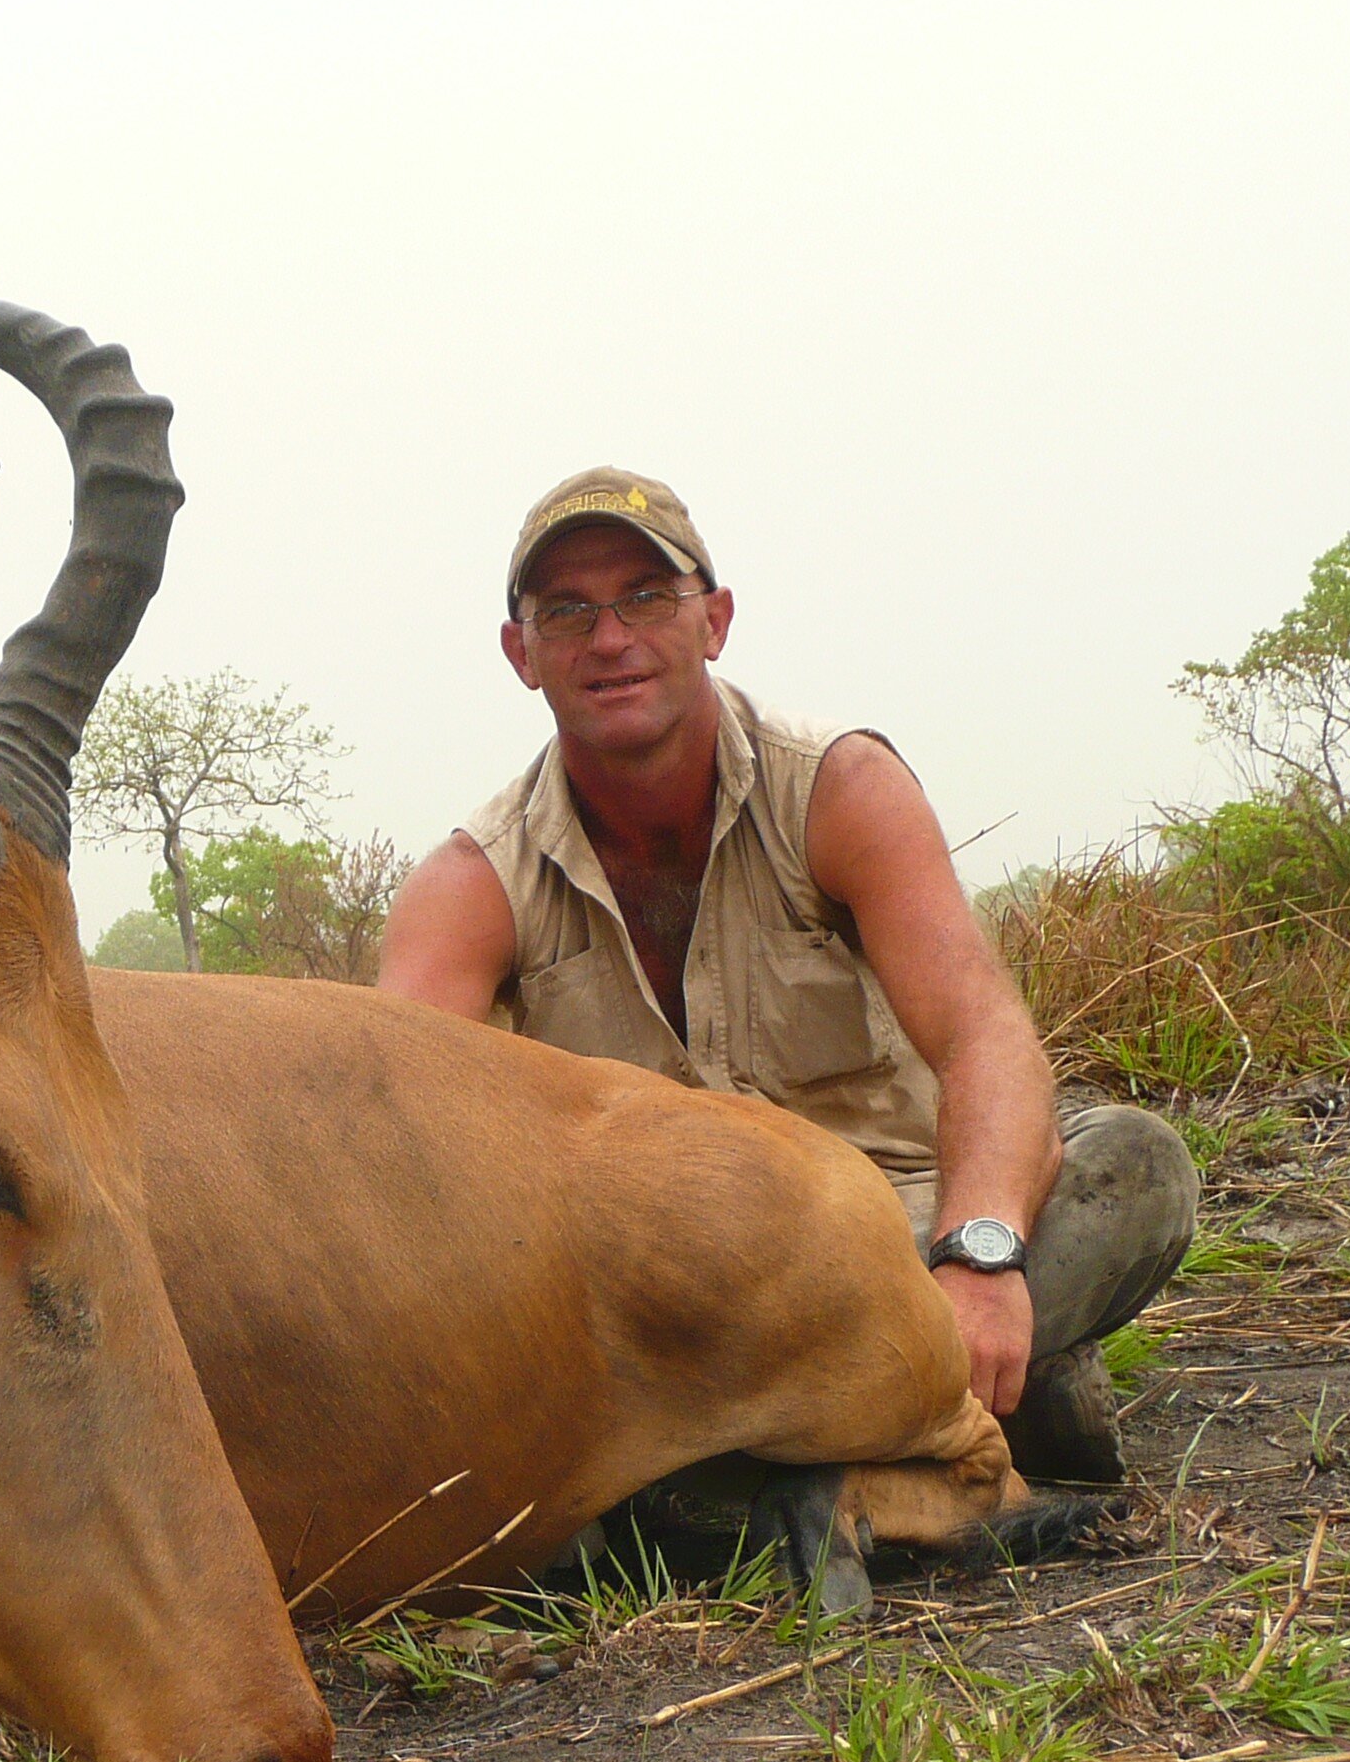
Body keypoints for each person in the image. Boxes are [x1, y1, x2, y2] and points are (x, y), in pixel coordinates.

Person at [377, 466, 1199, 1481]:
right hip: (660, 1300)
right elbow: (386, 1149)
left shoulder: (841, 788)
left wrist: (981, 1258)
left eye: (646, 596)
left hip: (891, 1250)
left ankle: (761, 1460)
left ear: (713, 620)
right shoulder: (471, 885)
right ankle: (909, 1434)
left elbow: (986, 1039)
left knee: (1134, 1168)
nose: (610, 638)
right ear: (521, 654)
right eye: (566, 612)